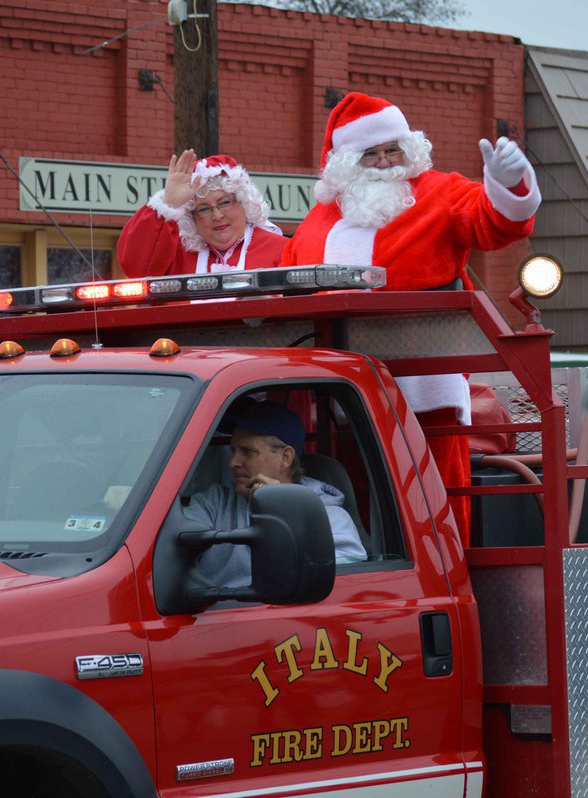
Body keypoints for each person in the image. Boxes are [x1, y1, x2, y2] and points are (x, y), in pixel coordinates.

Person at [280, 92, 542, 541]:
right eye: (371, 153)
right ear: (346, 161)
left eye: (392, 150)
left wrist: (509, 188)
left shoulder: (440, 192)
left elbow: (494, 223)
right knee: (351, 501)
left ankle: (445, 588)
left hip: (427, 388)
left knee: (433, 504)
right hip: (342, 396)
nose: (384, 162)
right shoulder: (318, 222)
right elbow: (289, 288)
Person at [187, 400, 366, 589]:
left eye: (247, 452)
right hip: (213, 611)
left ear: (285, 458)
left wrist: (278, 509)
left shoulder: (328, 516)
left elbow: (338, 584)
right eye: (233, 451)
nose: (233, 462)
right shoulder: (216, 502)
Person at [117, 151, 287, 277]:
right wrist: (168, 203)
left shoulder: (282, 250)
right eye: (204, 209)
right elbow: (137, 268)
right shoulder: (175, 255)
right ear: (192, 217)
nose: (217, 215)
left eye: (225, 202)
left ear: (243, 203)